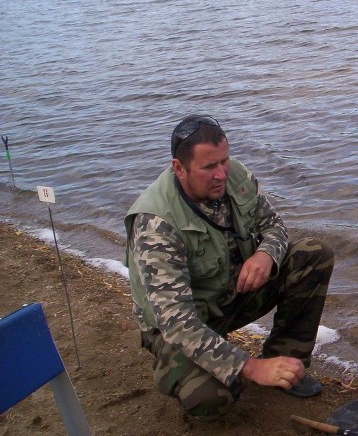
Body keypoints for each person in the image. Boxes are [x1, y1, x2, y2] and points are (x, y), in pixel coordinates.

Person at [124, 114, 334, 418]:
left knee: (313, 255)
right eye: (209, 167)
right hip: (182, 324)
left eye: (224, 160)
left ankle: (286, 364)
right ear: (179, 169)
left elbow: (275, 226)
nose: (221, 174)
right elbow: (176, 322)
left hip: (229, 295)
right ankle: (208, 368)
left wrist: (265, 255)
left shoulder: (236, 175)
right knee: (211, 398)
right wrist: (250, 367)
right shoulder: (156, 224)